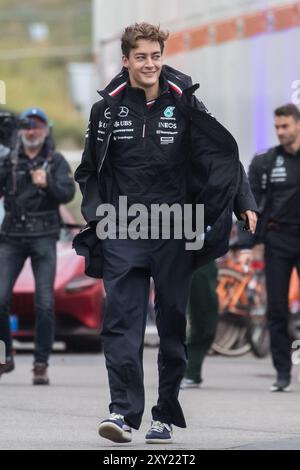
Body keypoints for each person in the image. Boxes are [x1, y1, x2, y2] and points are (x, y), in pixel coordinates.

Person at [73, 22, 257, 444]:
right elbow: (89, 169)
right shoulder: (106, 111)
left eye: (156, 55)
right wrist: (99, 217)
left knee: (173, 324)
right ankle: (121, 412)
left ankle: (164, 414)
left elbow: (221, 156)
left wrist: (243, 200)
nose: (150, 63)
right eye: (141, 56)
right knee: (122, 323)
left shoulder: (186, 103)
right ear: (126, 60)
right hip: (123, 228)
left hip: (176, 228)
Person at [0, 107, 75, 385]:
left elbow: (67, 193)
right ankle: (4, 356)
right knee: (0, 299)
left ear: (46, 129)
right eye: (26, 126)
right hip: (11, 236)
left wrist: (48, 185)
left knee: (44, 303)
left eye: (37, 125)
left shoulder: (54, 161)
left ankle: (40, 363)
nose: (31, 130)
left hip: (44, 235)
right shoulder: (10, 160)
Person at [239, 103, 300, 393]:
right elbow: (251, 206)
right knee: (277, 309)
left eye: (285, 126)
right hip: (278, 240)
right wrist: (248, 245)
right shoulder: (267, 162)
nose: (280, 132)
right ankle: (283, 371)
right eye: (277, 127)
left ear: (298, 125)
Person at [180, 261, 218, 389]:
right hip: (168, 249)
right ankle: (174, 372)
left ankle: (190, 370)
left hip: (200, 254)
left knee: (204, 317)